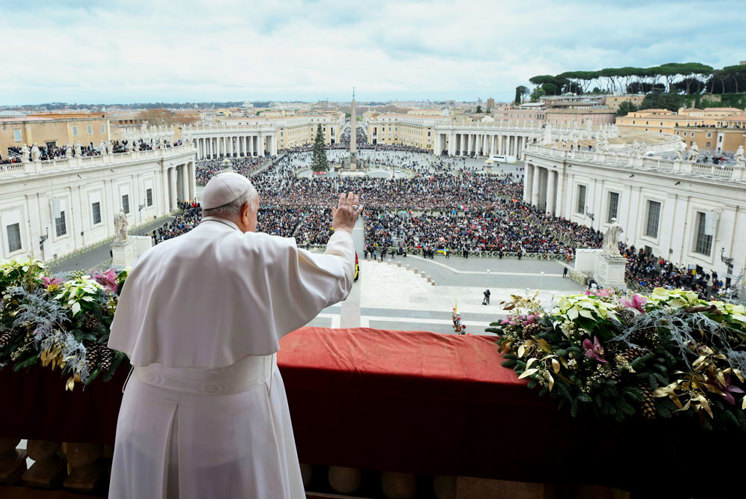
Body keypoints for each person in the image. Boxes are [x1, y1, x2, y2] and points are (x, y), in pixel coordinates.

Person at [107, 172, 362, 499]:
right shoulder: (259, 251)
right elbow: (339, 277)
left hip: (144, 421)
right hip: (225, 427)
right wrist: (342, 230)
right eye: (255, 212)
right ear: (245, 211)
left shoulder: (151, 257)